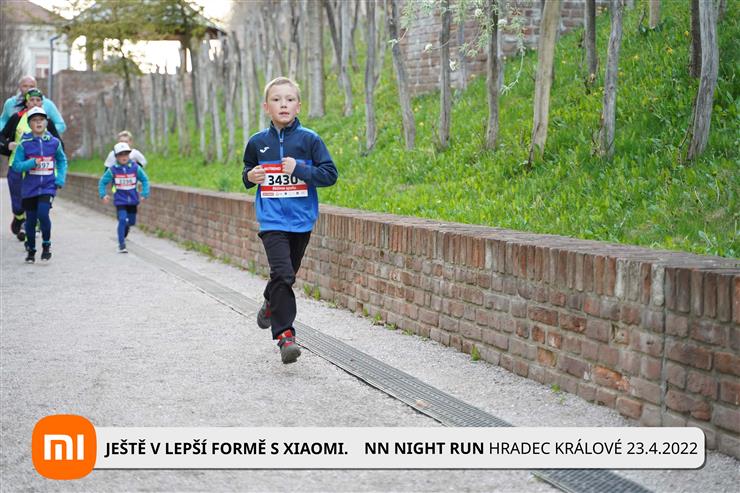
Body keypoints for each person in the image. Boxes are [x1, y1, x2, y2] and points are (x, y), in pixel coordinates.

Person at [242, 77, 338, 364]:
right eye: (276, 100)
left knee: (286, 276)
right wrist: (250, 176)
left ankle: (270, 302)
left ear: (298, 106)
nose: (283, 104)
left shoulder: (309, 140)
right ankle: (286, 337)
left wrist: (300, 169)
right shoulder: (257, 142)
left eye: (289, 99)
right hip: (271, 221)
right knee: (283, 274)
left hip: (301, 221)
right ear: (266, 107)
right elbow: (247, 171)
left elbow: (330, 175)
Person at [1, 89, 63, 242]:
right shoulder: (17, 117)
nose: (35, 103)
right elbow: (1, 136)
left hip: (41, 169)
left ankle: (30, 225)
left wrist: (58, 167)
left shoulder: (46, 121)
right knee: (18, 202)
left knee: (37, 199)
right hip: (18, 165)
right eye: (32, 100)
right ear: (26, 102)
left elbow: (59, 144)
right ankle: (19, 217)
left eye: (38, 100)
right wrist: (8, 145)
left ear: (42, 103)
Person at [10, 106, 67, 263]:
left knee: (43, 214)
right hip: (30, 189)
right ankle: (31, 250)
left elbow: (62, 161)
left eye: (41, 119)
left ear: (46, 122)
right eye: (35, 120)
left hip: (48, 186)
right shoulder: (24, 144)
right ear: (30, 124)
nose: (39, 123)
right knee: (30, 221)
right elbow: (16, 166)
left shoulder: (54, 142)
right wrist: (31, 163)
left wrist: (60, 179)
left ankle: (46, 244)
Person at [98, 142, 150, 253]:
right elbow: (102, 182)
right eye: (120, 155)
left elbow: (145, 180)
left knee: (130, 222)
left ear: (129, 155)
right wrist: (103, 194)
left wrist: (144, 193)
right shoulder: (113, 170)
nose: (124, 157)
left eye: (126, 154)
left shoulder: (135, 168)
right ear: (116, 157)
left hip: (133, 200)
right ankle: (121, 244)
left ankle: (125, 231)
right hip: (120, 200)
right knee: (122, 219)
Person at [0, 75, 66, 134]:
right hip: (16, 141)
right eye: (25, 86)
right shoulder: (10, 103)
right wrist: (6, 134)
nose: (28, 89)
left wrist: (45, 132)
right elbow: (3, 120)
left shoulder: (48, 104)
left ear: (36, 87)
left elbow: (61, 125)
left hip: (40, 141)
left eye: (32, 86)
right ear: (19, 87)